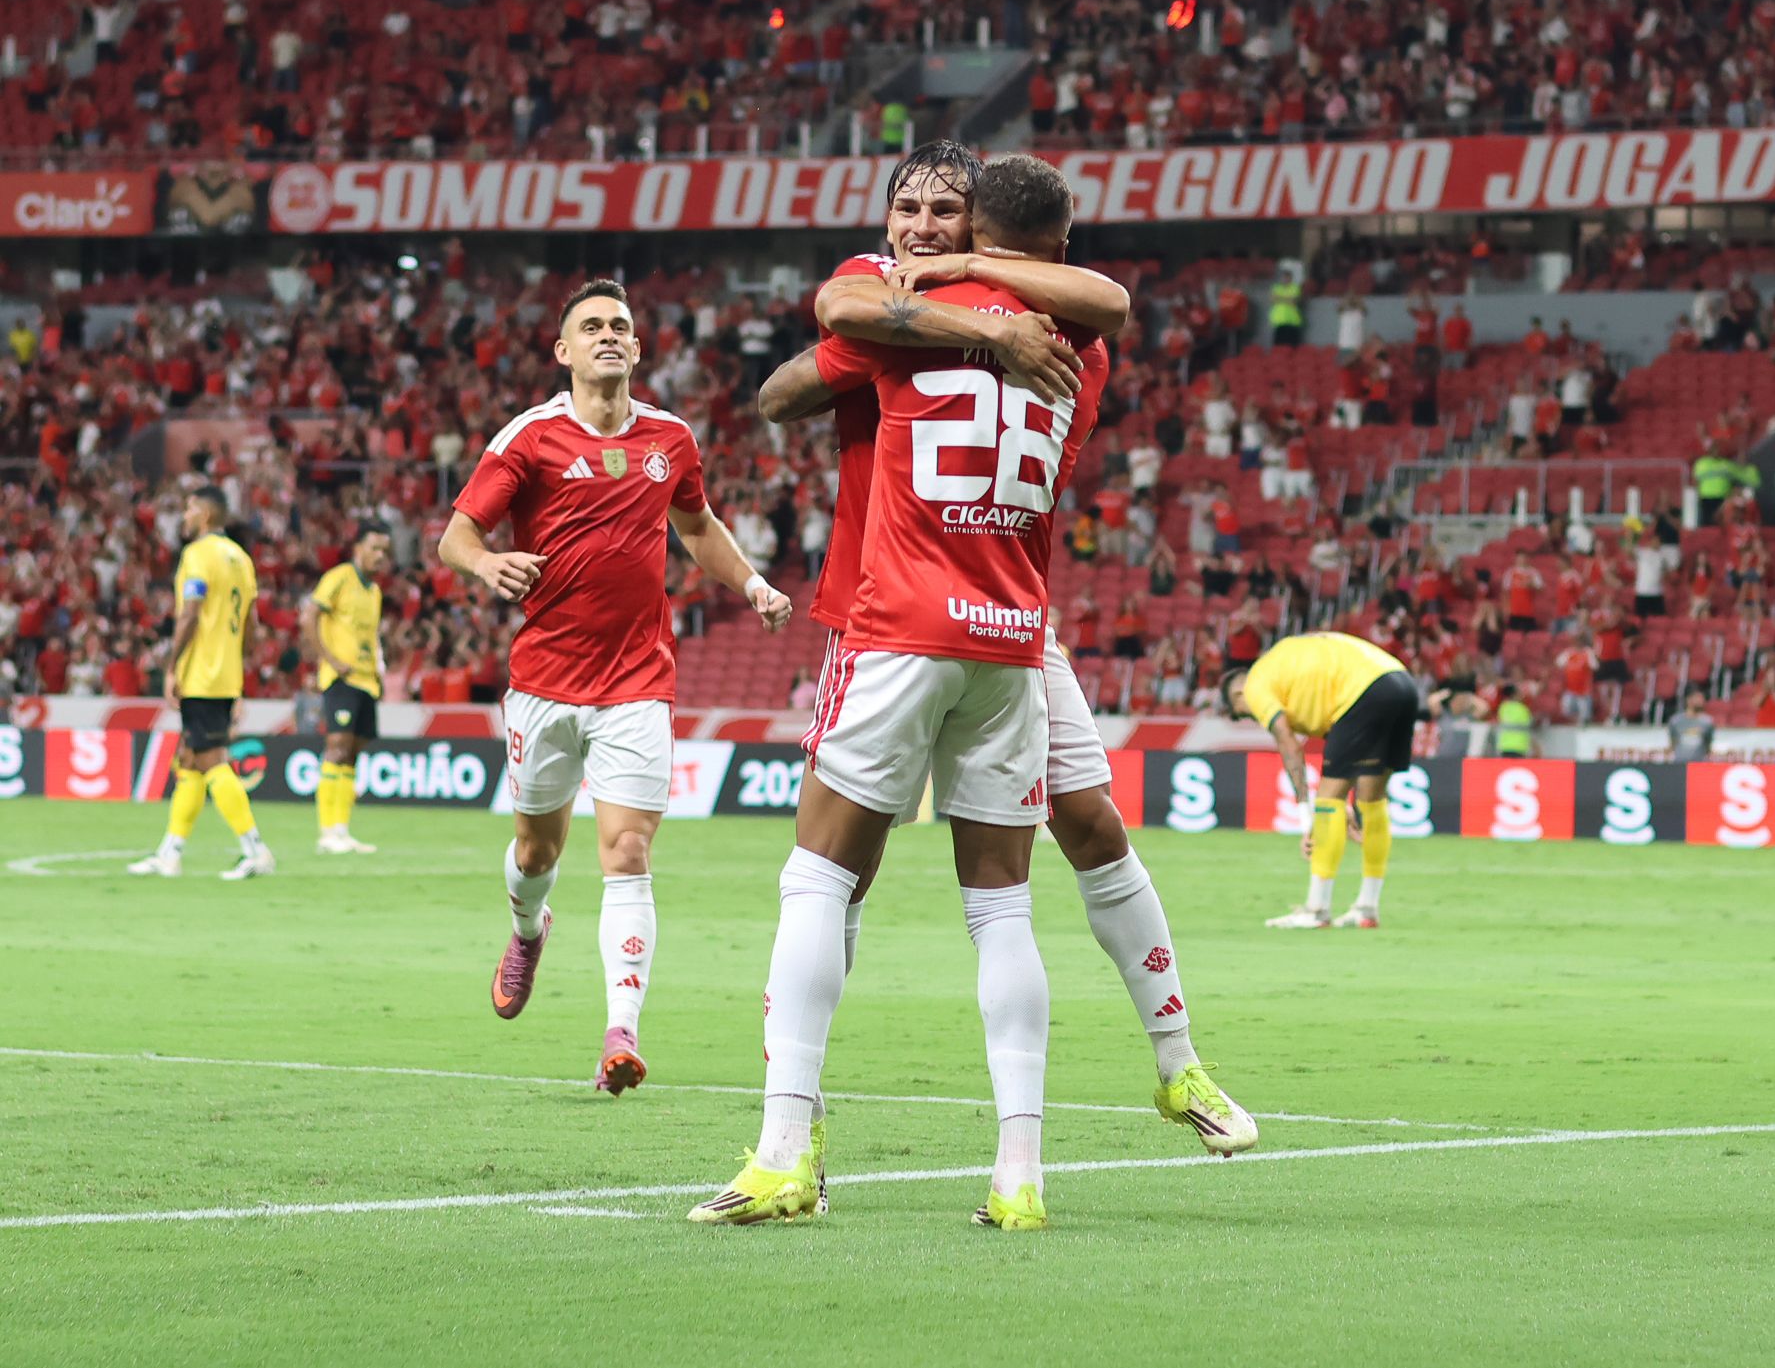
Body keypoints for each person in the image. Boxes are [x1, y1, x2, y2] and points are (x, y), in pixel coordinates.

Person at [721, 154, 1252, 1231]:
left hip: (918, 613)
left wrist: (943, 306)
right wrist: (979, 322)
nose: (921, 226)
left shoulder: (911, 306)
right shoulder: (1053, 332)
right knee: (955, 890)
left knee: (910, 858)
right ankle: (903, 1146)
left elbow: (788, 378)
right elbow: (792, 381)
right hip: (994, 617)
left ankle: (1175, 1063)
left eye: (944, 211)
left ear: (980, 229)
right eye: (906, 209)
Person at [439, 279, 794, 1097]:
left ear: (636, 348)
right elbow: (458, 534)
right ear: (563, 350)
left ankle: (620, 1034)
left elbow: (697, 526)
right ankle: (529, 928)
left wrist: (752, 584)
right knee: (537, 851)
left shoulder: (671, 438)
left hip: (637, 681)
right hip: (544, 682)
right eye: (591, 325)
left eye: (620, 326)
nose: (608, 334)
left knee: (628, 851)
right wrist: (487, 562)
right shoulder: (529, 437)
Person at [1223, 632, 1421, 932]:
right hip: (1401, 683)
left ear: (1238, 695)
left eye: (1243, 715)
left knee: (1328, 800)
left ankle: (1317, 910)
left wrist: (1307, 815)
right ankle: (1367, 908)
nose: (1255, 718)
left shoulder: (1255, 685)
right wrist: (1342, 806)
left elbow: (1288, 743)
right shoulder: (1287, 666)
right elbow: (1349, 743)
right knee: (1371, 800)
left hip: (1363, 691)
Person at [128, 486, 275, 880]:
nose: (184, 515)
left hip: (201, 674)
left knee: (211, 760)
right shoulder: (241, 559)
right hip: (225, 674)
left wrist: (172, 666)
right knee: (190, 762)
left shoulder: (198, 555)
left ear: (206, 515)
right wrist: (236, 669)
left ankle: (255, 849)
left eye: (190, 508)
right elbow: (251, 624)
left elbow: (190, 614)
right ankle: (170, 854)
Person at [304, 519, 391, 855]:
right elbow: (309, 617)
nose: (380, 556)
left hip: (366, 680)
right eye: (374, 548)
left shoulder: (374, 591)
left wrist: (379, 671)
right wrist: (329, 659)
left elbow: (372, 637)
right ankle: (326, 832)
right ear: (358, 549)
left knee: (353, 754)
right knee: (337, 747)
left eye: (384, 550)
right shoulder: (339, 577)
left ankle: (341, 830)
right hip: (341, 678)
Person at [1667, 687, 1715, 761]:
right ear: (1688, 699)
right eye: (1697, 697)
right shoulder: (1675, 721)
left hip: (1698, 763)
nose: (1701, 700)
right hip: (1679, 763)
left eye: (1702, 698)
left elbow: (1708, 744)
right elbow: (1672, 742)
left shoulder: (1708, 722)